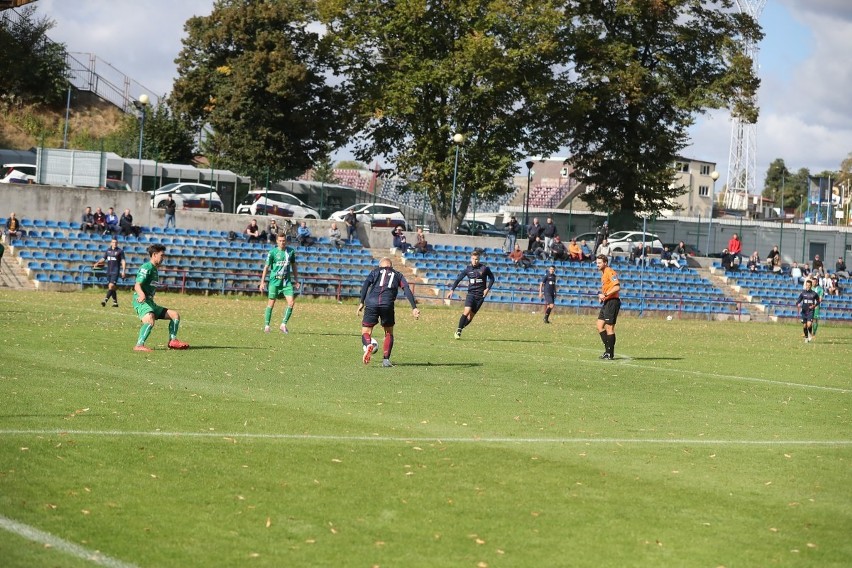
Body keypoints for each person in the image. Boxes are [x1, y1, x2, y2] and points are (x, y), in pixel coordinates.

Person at [357, 257, 421, 367]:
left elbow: (366, 284)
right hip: (387, 304)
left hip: (371, 303)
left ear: (380, 266)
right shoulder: (398, 274)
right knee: (388, 332)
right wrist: (414, 307)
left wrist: (362, 302)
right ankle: (386, 360)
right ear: (391, 266)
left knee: (366, 332)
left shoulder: (375, 272)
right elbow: (406, 289)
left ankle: (368, 344)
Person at [132, 244, 189, 352]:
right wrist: (142, 294)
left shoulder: (154, 269)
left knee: (174, 315)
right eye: (161, 255)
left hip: (150, 302)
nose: (163, 258)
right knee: (150, 319)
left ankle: (173, 341)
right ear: (154, 255)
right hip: (141, 301)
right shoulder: (146, 267)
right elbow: (137, 285)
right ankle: (139, 345)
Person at [446, 250, 495, 339]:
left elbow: (492, 278)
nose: (475, 261)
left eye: (476, 259)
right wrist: (452, 290)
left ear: (479, 259)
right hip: (471, 294)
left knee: (471, 317)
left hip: (480, 296)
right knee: (466, 311)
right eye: (473, 259)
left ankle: (461, 327)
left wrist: (488, 288)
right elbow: (458, 280)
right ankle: (458, 331)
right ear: (471, 259)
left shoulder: (484, 268)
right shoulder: (468, 269)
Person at [260, 232, 300, 334]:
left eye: (284, 241)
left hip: (286, 283)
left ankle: (283, 325)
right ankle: (267, 326)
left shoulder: (290, 252)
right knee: (271, 304)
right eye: (280, 241)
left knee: (291, 303)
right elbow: (266, 267)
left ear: (286, 241)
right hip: (274, 282)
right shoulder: (272, 252)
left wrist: (296, 280)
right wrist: (262, 282)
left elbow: (294, 266)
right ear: (277, 241)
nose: (282, 242)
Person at [595, 254, 621, 360]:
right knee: (599, 325)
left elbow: (617, 287)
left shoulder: (610, 272)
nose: (597, 265)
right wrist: (603, 297)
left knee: (609, 328)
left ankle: (610, 353)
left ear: (605, 263)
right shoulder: (603, 274)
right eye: (597, 263)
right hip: (607, 302)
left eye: (599, 263)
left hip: (612, 302)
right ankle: (607, 351)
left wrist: (605, 295)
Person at [93, 237, 126, 307]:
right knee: (112, 288)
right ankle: (115, 303)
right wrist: (97, 262)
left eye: (116, 242)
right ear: (111, 243)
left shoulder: (120, 251)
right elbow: (103, 258)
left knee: (111, 286)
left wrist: (123, 270)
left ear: (117, 243)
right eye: (113, 242)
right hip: (109, 272)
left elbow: (123, 261)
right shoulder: (108, 251)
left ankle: (105, 300)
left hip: (115, 271)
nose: (115, 244)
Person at [795, 278, 820, 343]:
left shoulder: (814, 293)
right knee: (804, 326)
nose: (808, 286)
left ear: (811, 285)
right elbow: (798, 301)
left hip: (810, 311)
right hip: (804, 311)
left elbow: (818, 301)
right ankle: (806, 337)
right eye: (807, 285)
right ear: (805, 285)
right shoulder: (803, 293)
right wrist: (798, 304)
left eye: (809, 285)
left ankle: (810, 334)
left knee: (809, 325)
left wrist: (814, 306)